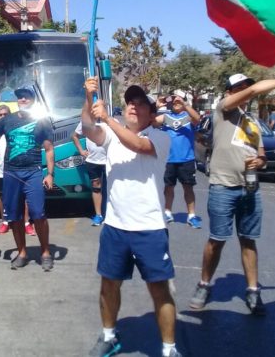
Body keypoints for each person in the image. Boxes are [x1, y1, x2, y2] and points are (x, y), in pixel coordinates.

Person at [189, 73, 275, 316]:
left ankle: (252, 291)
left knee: (248, 240)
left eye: (247, 87)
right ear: (230, 92)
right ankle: (204, 284)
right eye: (239, 88)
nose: (245, 91)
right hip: (223, 186)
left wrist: (259, 161)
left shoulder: (251, 122)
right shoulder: (222, 109)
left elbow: (261, 155)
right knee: (217, 240)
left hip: (250, 189)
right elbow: (253, 93)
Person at [82, 78, 181, 357]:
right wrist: (88, 97)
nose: (133, 107)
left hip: (150, 228)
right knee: (109, 283)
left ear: (151, 112)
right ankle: (109, 336)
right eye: (129, 103)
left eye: (140, 103)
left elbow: (138, 145)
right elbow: (89, 128)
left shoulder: (159, 137)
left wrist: (109, 121)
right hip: (115, 226)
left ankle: (169, 348)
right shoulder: (111, 133)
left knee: (159, 289)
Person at [0, 85, 55, 271]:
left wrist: (50, 174)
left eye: (27, 97)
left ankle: (46, 252)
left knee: (38, 213)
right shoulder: (6, 120)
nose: (23, 100)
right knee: (14, 216)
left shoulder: (42, 121)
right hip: (11, 173)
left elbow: (48, 149)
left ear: (33, 100)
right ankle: (22, 252)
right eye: (20, 97)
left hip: (33, 171)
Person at [154, 94, 202, 229]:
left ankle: (191, 216)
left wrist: (185, 104)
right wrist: (157, 106)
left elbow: (197, 119)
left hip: (186, 159)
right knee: (168, 187)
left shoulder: (188, 117)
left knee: (188, 187)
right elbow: (151, 122)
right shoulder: (166, 117)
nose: (176, 102)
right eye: (174, 101)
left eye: (178, 101)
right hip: (169, 160)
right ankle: (168, 212)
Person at [0, 105, 33, 235]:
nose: (3, 117)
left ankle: (26, 224)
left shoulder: (17, 128)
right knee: (2, 196)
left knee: (23, 196)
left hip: (17, 169)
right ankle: (5, 222)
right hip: (0, 170)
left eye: (5, 114)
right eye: (0, 115)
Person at [72, 121, 107, 226]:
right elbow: (74, 136)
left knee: (112, 188)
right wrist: (81, 151)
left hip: (109, 160)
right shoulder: (85, 122)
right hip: (92, 161)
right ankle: (98, 215)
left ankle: (112, 215)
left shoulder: (111, 122)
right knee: (96, 187)